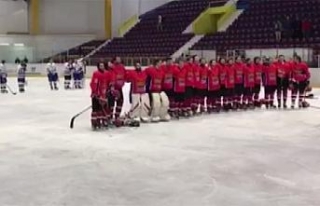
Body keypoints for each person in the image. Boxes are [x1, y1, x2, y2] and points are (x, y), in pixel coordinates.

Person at [90, 62, 109, 130]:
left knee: (101, 110)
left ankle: (101, 122)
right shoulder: (96, 73)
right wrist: (95, 93)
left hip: (103, 95)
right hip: (96, 95)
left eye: (103, 65)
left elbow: (107, 83)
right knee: (95, 110)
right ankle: (95, 123)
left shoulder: (106, 73)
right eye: (100, 66)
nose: (102, 67)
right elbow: (93, 84)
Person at [109, 57, 126, 121]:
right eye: (118, 58)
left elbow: (125, 74)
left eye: (120, 58)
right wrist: (111, 85)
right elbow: (111, 76)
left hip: (119, 88)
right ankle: (110, 116)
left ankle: (117, 115)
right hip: (112, 88)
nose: (119, 59)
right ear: (114, 60)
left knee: (120, 101)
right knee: (111, 103)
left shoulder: (122, 67)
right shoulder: (111, 67)